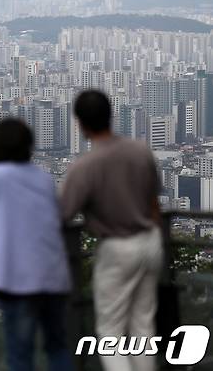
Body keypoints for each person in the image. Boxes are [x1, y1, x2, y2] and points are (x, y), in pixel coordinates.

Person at [62, 90, 163, 371]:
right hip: (150, 241)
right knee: (143, 328)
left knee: (110, 335)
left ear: (80, 124)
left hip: (118, 248)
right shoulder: (140, 150)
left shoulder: (85, 167)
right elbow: (154, 202)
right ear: (111, 115)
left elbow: (62, 214)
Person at [0, 118, 73, 371]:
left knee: (20, 355)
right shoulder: (43, 178)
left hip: (18, 281)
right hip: (53, 277)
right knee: (58, 348)